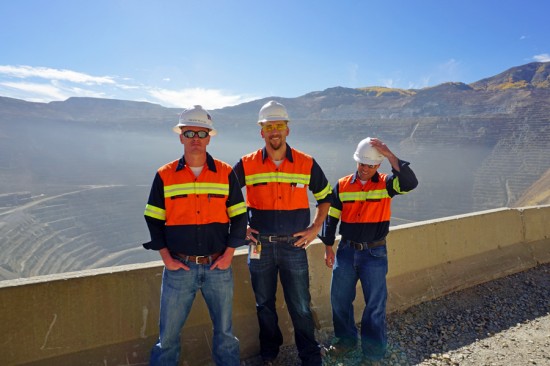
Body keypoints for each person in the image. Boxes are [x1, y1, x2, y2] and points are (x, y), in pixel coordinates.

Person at [142, 105, 247, 366]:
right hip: (180, 268)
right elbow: (153, 219)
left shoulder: (225, 173)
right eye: (189, 133)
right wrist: (166, 257)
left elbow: (240, 216)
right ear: (180, 137)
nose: (196, 139)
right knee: (167, 337)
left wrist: (229, 254)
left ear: (210, 137)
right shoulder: (165, 176)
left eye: (201, 133)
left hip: (218, 267)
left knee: (225, 334)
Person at [233, 100, 333, 366]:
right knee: (263, 304)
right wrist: (241, 227)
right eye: (268, 126)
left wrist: (314, 229)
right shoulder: (246, 164)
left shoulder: (306, 162)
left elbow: (325, 198)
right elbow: (225, 197)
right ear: (261, 131)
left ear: (287, 130)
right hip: (259, 247)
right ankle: (269, 353)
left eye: (279, 125)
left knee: (300, 305)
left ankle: (309, 356)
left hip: (294, 246)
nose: (274, 131)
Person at [320, 137, 418, 365]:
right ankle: (346, 341)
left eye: (370, 165)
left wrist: (390, 154)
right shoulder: (343, 185)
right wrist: (327, 247)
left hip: (374, 254)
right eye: (362, 164)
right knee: (339, 299)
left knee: (374, 304)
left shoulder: (386, 184)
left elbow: (410, 183)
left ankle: (373, 353)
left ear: (379, 165)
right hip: (345, 251)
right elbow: (332, 217)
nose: (365, 169)